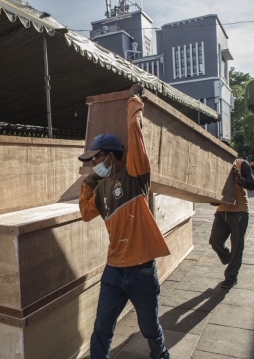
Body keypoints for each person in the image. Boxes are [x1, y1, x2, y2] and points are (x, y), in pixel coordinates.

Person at [78, 84, 170, 359]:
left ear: (110, 155)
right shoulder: (102, 190)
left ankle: (161, 356)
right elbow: (84, 212)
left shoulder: (135, 175)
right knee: (101, 329)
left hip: (141, 271)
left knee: (149, 328)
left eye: (95, 160)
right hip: (114, 271)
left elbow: (134, 130)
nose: (93, 164)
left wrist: (133, 100)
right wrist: (91, 180)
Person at [208, 153, 254, 289]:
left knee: (237, 246)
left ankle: (231, 277)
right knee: (215, 241)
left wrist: (241, 180)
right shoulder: (215, 166)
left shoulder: (241, 164)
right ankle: (232, 260)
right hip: (221, 212)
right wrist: (212, 199)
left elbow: (252, 185)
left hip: (239, 213)